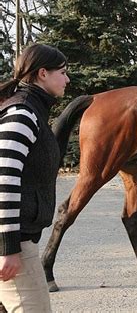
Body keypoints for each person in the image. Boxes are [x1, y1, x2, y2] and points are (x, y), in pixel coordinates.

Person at [0, 43, 69, 312]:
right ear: (43, 73)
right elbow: (4, 180)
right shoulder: (22, 115)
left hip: (20, 239)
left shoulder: (32, 111)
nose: (67, 78)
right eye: (62, 72)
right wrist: (8, 248)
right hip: (13, 243)